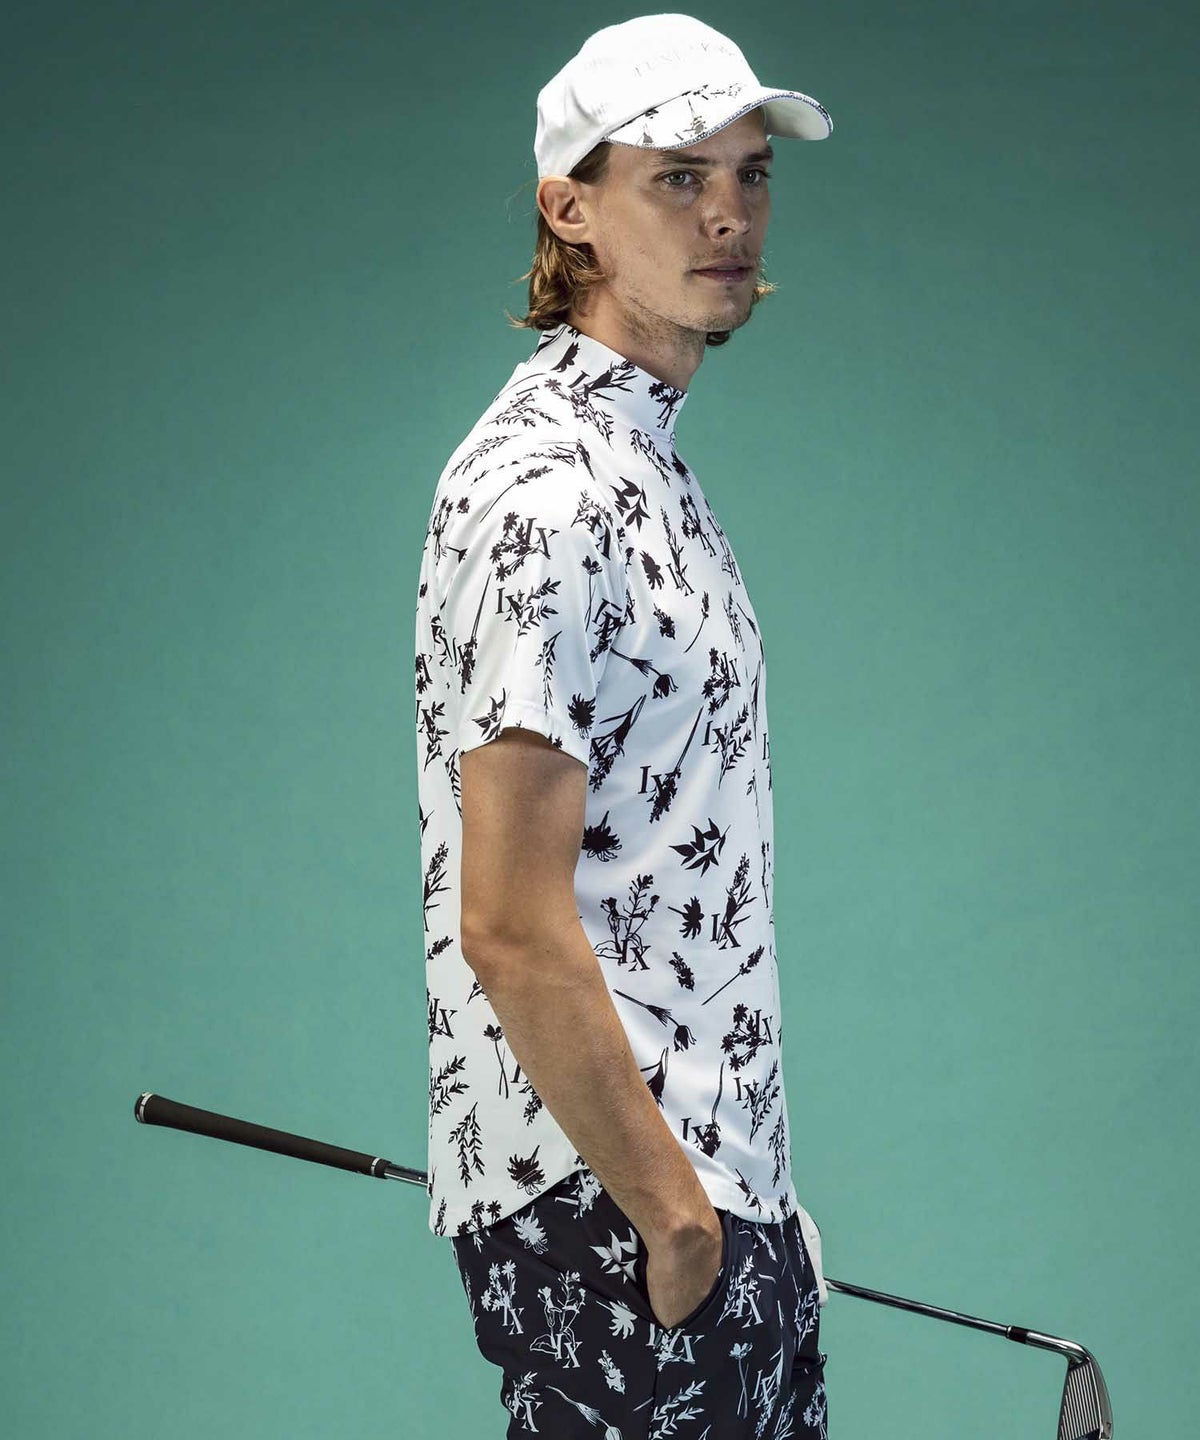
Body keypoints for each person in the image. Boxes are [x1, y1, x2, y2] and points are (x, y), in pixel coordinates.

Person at [414, 14, 833, 1436]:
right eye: (677, 176)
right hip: (617, 1212)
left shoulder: (644, 469)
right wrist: (676, 1219)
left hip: (720, 1201)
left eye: (751, 173)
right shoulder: (543, 492)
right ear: (570, 209)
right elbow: (510, 921)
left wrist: (753, 1206)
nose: (729, 214)